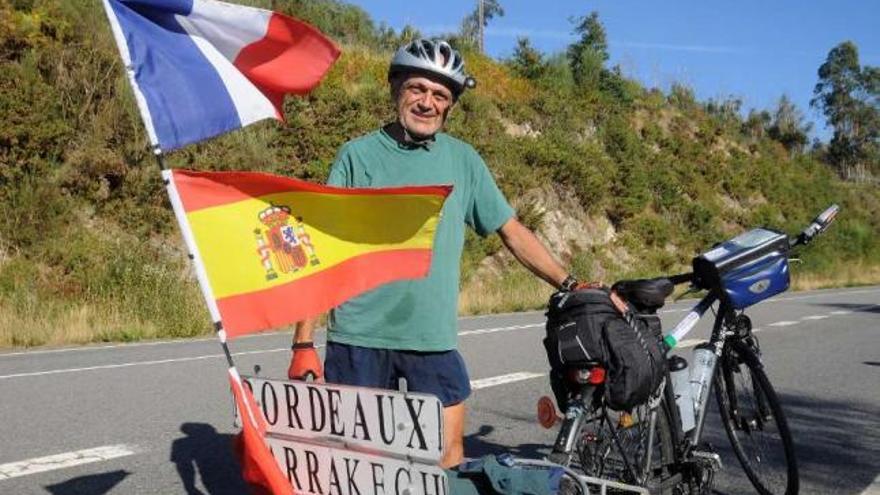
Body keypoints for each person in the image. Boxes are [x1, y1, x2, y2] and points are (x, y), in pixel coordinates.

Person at [286, 39, 608, 468]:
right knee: (362, 465)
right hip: (359, 336)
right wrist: (303, 342)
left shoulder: (463, 161)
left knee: (447, 457)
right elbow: (321, 249)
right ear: (395, 88)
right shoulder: (357, 156)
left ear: (450, 106)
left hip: (430, 338)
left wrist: (572, 285)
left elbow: (511, 231)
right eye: (417, 88)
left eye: (440, 95)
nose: (427, 102)